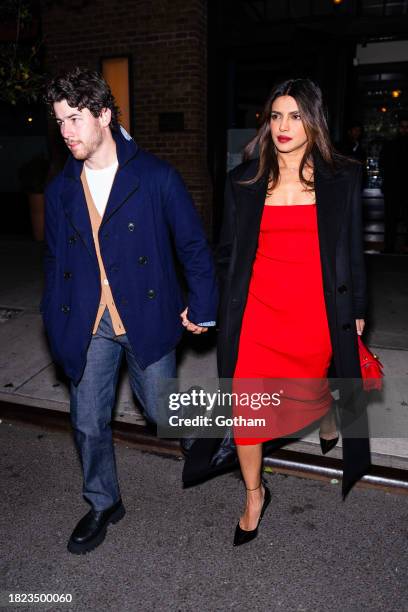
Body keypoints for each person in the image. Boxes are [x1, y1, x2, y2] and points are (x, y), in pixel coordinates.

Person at [183, 78, 371, 546]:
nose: (284, 126)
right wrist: (207, 305)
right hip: (257, 318)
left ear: (313, 121)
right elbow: (226, 255)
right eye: (276, 116)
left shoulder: (341, 178)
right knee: (246, 410)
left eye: (295, 116)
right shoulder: (243, 180)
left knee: (309, 393)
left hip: (313, 316)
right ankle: (253, 494)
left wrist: (358, 309)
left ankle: (327, 408)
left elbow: (352, 252)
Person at [42, 67, 218, 554]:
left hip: (145, 313)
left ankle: (215, 429)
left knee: (162, 408)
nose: (66, 132)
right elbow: (55, 260)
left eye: (75, 119)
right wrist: (53, 317)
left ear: (103, 114)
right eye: (59, 122)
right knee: (87, 421)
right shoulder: (62, 189)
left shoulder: (154, 176)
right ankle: (102, 502)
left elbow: (193, 246)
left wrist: (203, 304)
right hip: (87, 322)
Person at [379, 114, 408, 253]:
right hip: (394, 187)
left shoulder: (390, 144)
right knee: (391, 218)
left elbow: (382, 164)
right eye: (403, 127)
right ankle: (392, 246)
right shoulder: (390, 144)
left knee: (391, 218)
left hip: (393, 186)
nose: (404, 130)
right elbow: (383, 164)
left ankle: (390, 246)